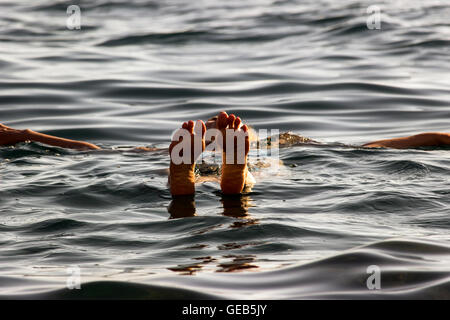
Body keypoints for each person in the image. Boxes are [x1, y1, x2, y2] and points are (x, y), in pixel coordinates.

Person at [1, 113, 449, 196]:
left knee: (184, 192)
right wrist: (441, 138)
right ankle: (238, 181)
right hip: (278, 164)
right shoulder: (287, 141)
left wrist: (22, 135)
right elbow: (377, 148)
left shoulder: (164, 147)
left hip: (152, 162)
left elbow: (89, 153)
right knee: (264, 178)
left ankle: (184, 185)